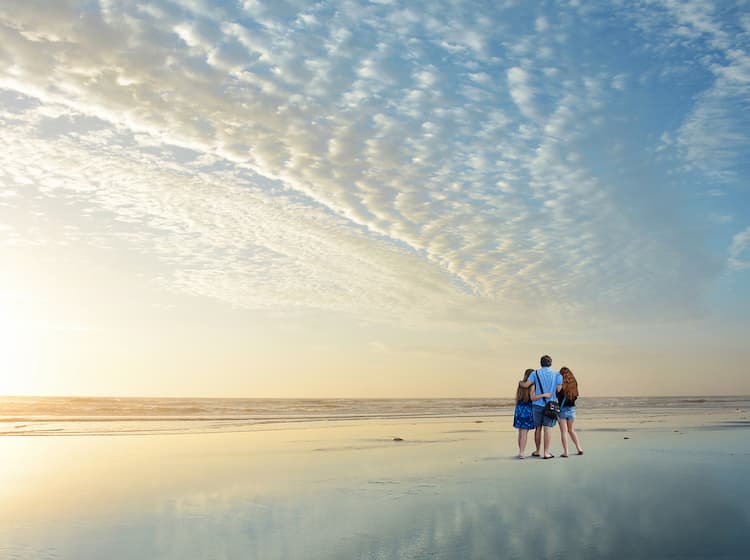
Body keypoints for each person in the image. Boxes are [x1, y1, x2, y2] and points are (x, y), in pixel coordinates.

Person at [524, 355, 562, 459]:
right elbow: (558, 390)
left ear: (541, 363)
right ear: (551, 363)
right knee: (547, 429)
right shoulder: (557, 374)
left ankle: (537, 451)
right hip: (550, 404)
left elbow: (527, 384)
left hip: (537, 404)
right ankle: (546, 453)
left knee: (538, 429)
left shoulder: (534, 373)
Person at [513, 368, 552, 459]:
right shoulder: (532, 385)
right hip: (527, 409)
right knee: (524, 432)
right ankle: (522, 453)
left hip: (519, 408)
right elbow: (532, 397)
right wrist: (544, 395)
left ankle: (521, 451)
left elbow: (517, 397)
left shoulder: (521, 384)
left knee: (520, 431)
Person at [557, 366, 584, 457]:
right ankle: (579, 448)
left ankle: (566, 452)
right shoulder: (574, 383)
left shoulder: (560, 384)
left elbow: (556, 393)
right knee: (571, 430)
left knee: (564, 432)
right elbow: (576, 396)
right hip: (572, 409)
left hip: (562, 409)